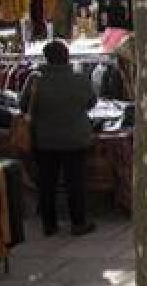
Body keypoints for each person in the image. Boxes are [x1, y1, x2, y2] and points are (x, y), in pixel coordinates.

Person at [22, 40, 97, 236]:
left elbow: (24, 106)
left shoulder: (35, 80)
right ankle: (78, 223)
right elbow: (91, 103)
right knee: (75, 182)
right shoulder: (80, 80)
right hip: (75, 139)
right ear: (67, 57)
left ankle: (49, 224)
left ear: (46, 58)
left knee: (47, 182)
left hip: (45, 140)